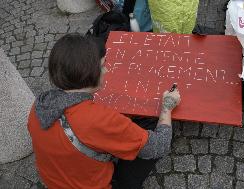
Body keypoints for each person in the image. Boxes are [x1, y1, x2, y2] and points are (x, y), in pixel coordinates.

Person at [27, 33, 181, 189]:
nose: (106, 70)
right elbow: (160, 146)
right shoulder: (98, 120)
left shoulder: (39, 105)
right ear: (90, 73)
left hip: (57, 181)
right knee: (151, 130)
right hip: (95, 184)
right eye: (102, 65)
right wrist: (167, 106)